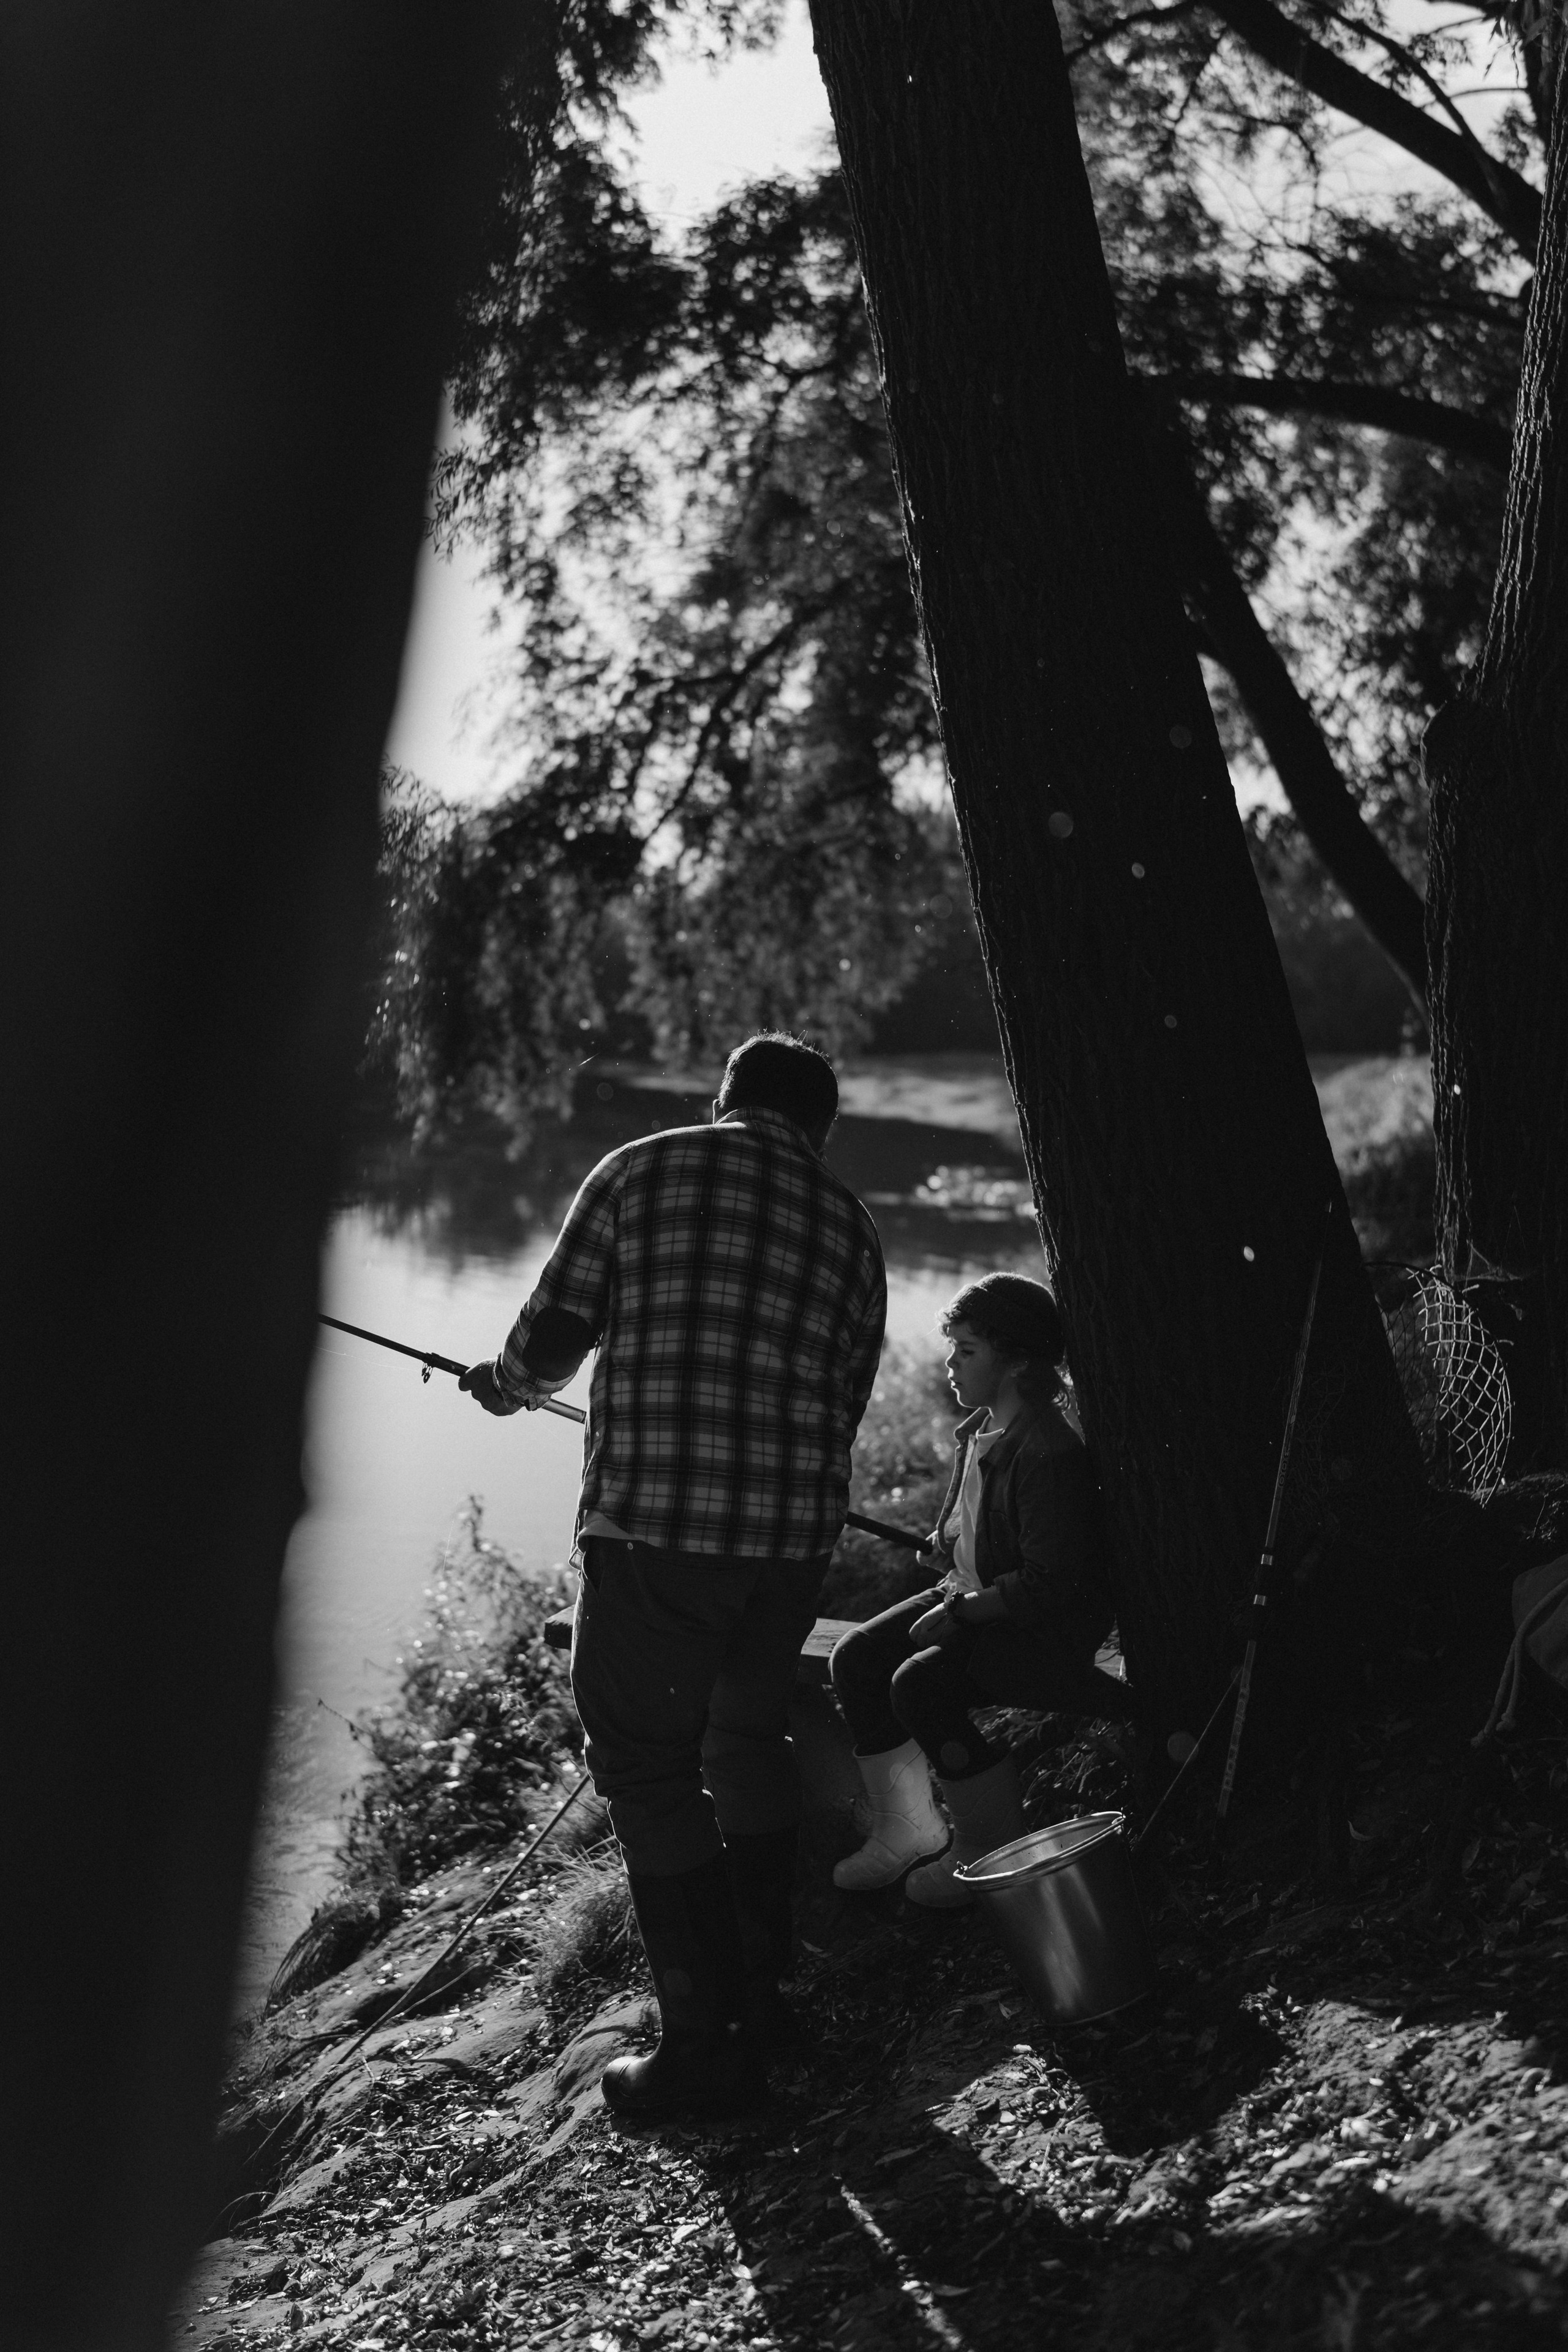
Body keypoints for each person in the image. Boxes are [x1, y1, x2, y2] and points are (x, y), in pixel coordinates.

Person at [461, 1034, 886, 2119]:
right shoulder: (853, 1228)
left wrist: (508, 1385)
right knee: (744, 1739)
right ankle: (765, 1998)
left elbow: (557, 1334)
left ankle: (704, 2047)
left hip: (658, 1534)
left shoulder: (642, 1168)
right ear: (818, 1129)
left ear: (725, 1100)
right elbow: (844, 1404)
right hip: (789, 1544)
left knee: (649, 1772)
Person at [829, 1273, 1134, 1906]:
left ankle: (987, 1854)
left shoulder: (1048, 1452)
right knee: (854, 1658)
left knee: (919, 1685)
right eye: (952, 1348)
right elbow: (978, 1521)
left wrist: (964, 1613)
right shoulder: (981, 1430)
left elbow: (1050, 1583)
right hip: (970, 1593)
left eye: (966, 1350)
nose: (950, 1362)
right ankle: (906, 1831)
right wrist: (947, 1540)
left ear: (1017, 1358)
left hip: (1032, 1625)